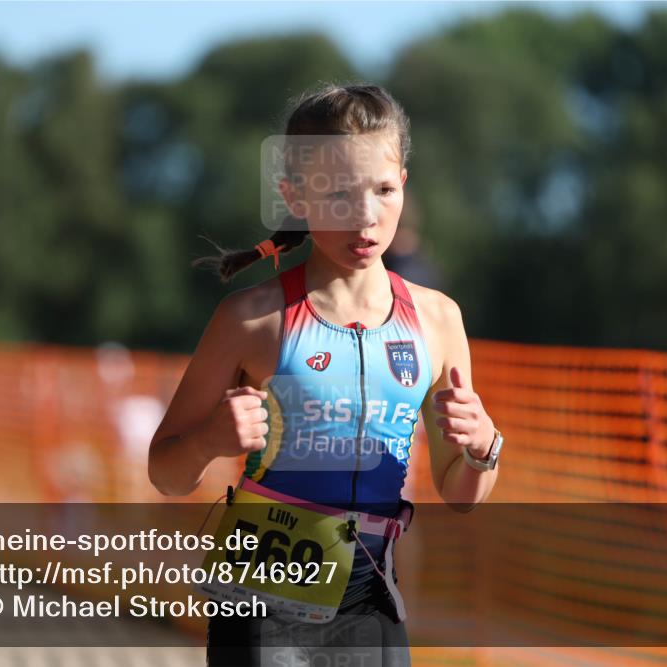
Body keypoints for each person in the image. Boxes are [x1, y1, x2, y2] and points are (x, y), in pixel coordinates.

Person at [148, 83, 502, 667]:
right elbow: (165, 472)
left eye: (383, 190)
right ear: (295, 195)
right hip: (261, 600)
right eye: (338, 194)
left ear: (403, 186)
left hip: (371, 603)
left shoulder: (438, 319)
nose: (365, 216)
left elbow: (461, 495)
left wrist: (483, 447)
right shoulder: (250, 318)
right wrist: (211, 439)